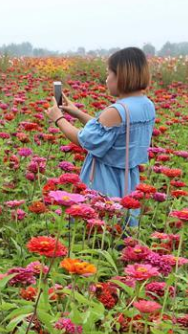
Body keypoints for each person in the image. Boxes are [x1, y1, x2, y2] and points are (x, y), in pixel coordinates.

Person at [46, 47, 155, 228]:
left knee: (98, 226)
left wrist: (58, 118)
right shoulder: (146, 104)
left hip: (105, 178)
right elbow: (110, 131)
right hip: (129, 177)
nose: (106, 79)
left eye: (108, 73)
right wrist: (77, 112)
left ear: (120, 76)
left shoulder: (116, 110)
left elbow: (84, 140)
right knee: (122, 227)